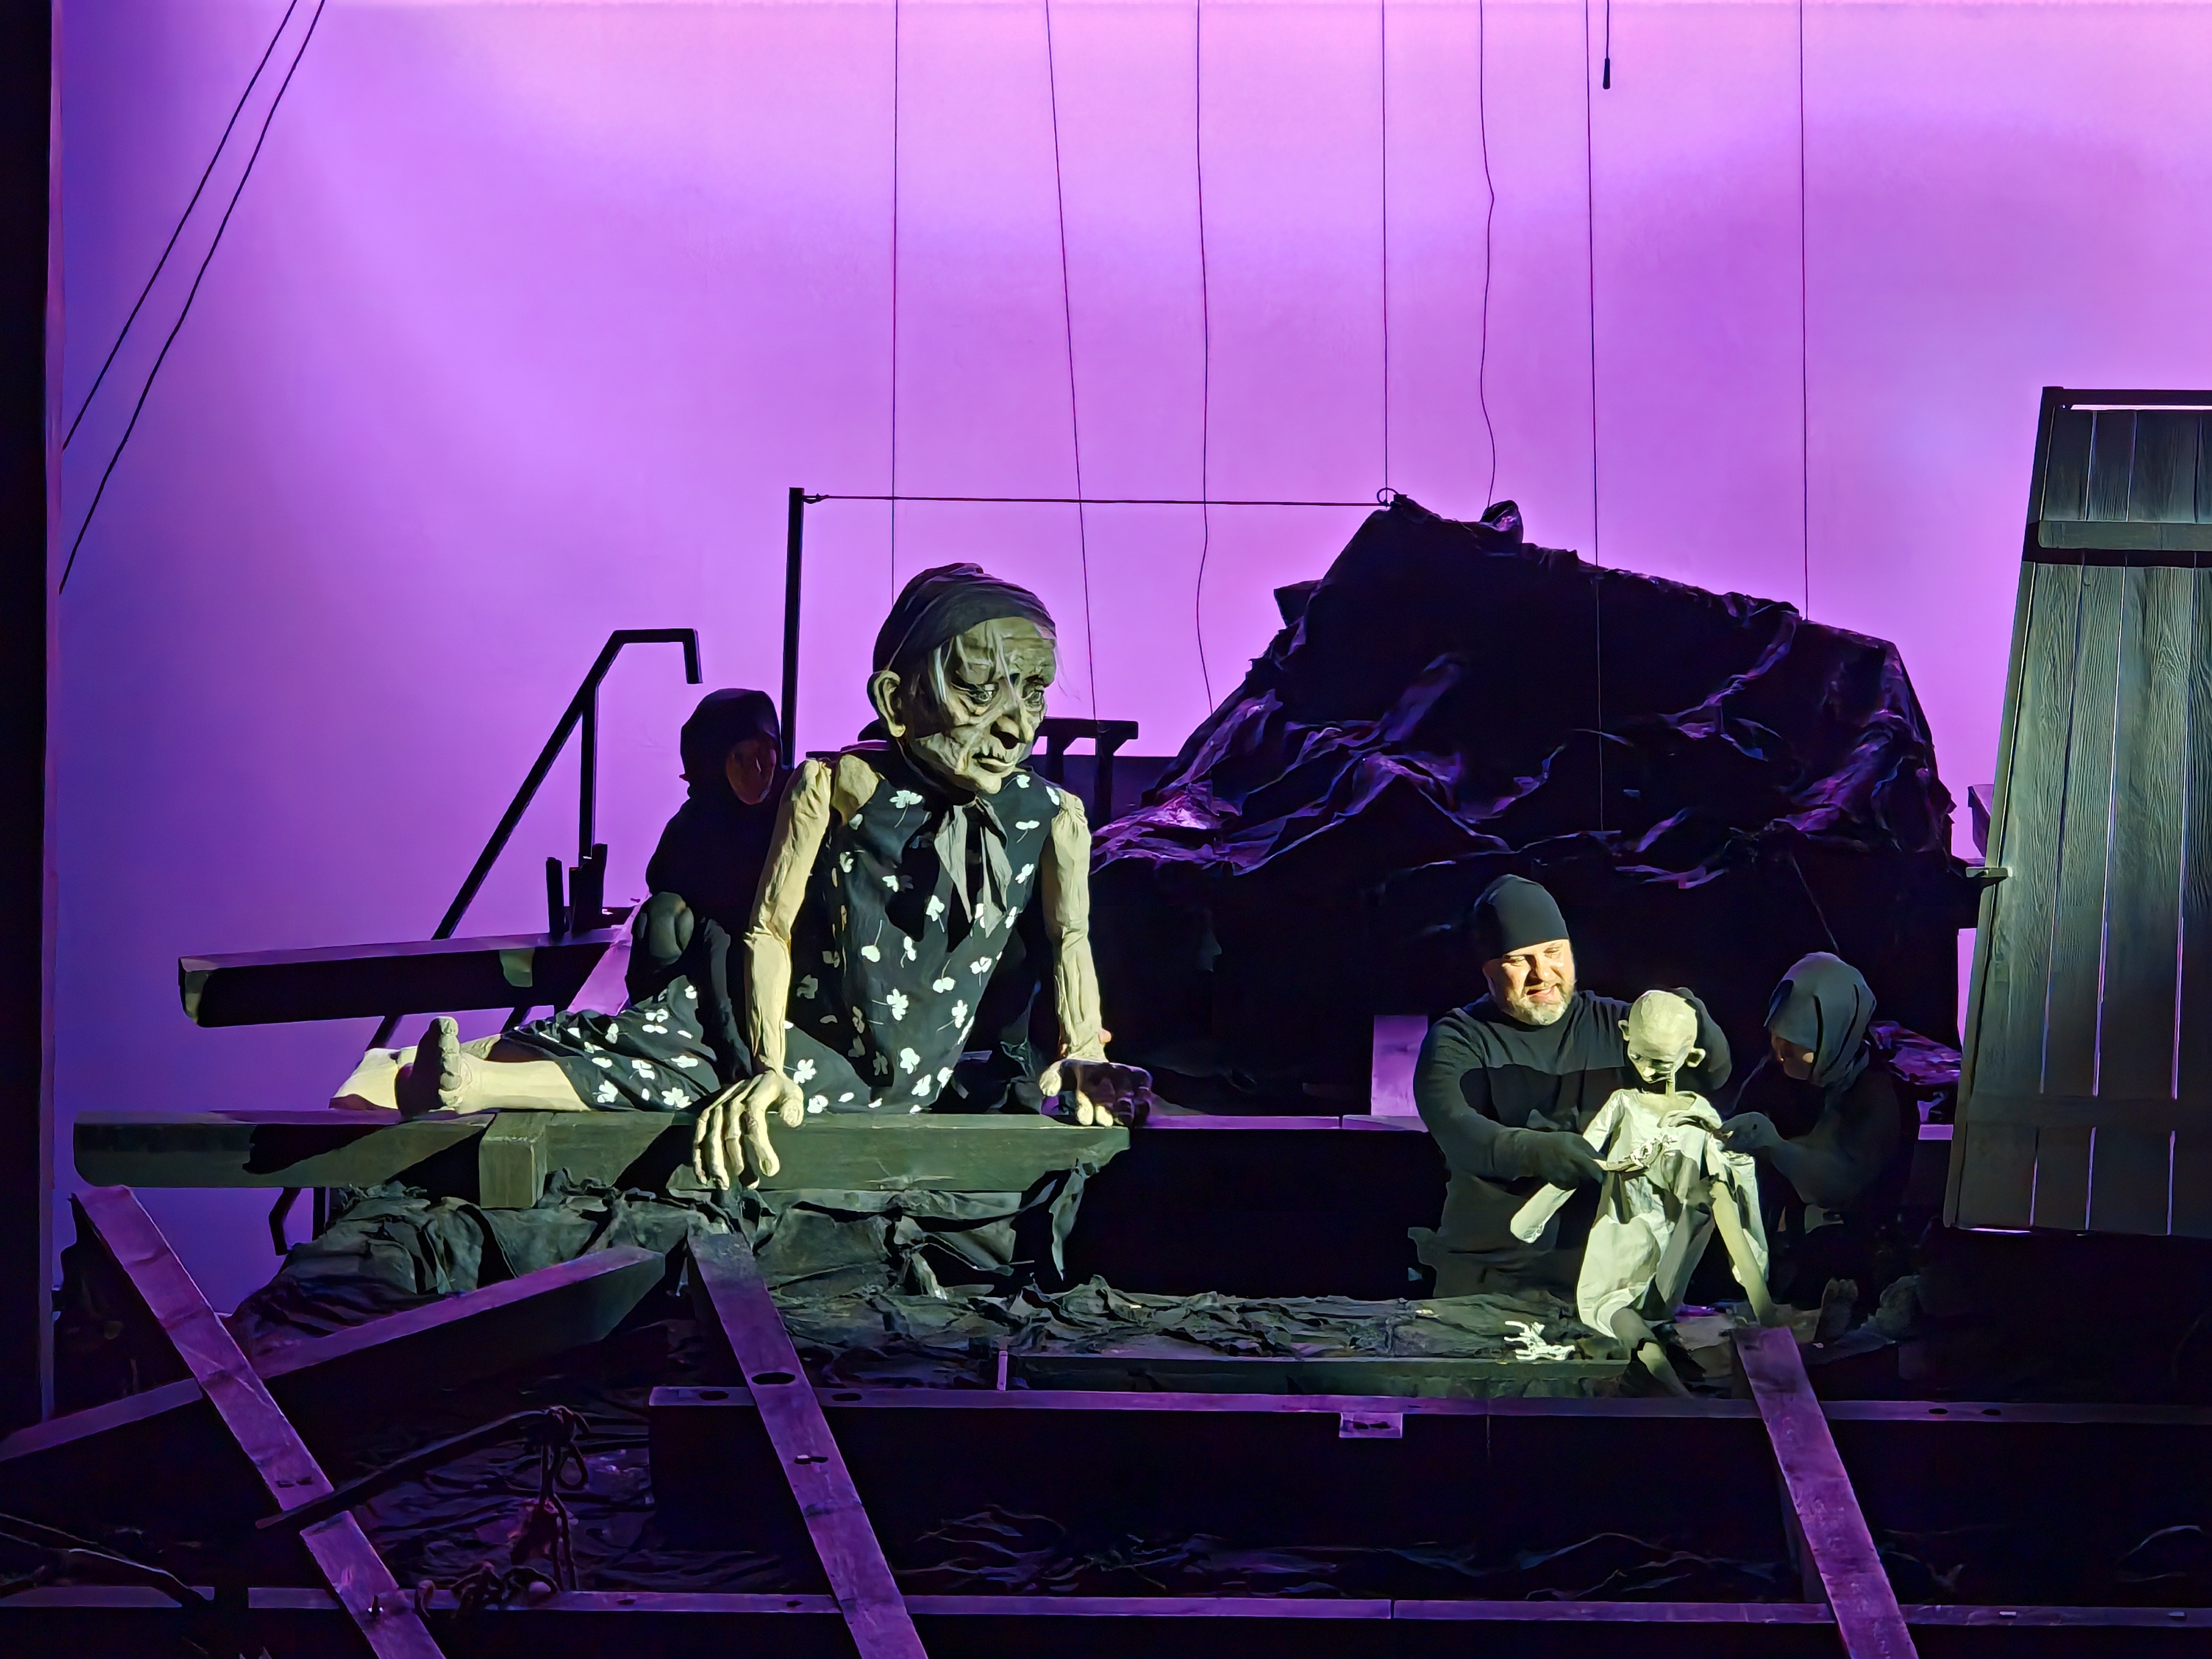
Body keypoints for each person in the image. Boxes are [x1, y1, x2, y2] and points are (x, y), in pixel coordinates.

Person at [691, 562, 1156, 1189]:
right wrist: (767, 1062)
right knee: (605, 1063)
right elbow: (769, 928)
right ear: (894, 701)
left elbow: (1069, 938)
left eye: (1034, 692)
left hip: (914, 1074)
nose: (1017, 726)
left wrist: (1085, 1052)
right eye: (979, 689)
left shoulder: (1050, 815)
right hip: (808, 1046)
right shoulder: (837, 785)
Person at [1410, 874, 1731, 1298]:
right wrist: (1537, 1152)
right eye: (1519, 960)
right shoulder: (1459, 1039)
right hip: (1489, 1274)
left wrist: (1694, 1020)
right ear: (1487, 969)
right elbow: (1458, 1131)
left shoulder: (1617, 1026)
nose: (1542, 974)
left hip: (1604, 1280)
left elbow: (1711, 1075)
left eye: (1553, 952)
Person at [1719, 950, 1916, 1223]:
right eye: (1776, 1038)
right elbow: (1736, 1116)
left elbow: (1840, 1183)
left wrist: (1777, 1148)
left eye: (1795, 1046)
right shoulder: (1776, 1072)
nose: (1780, 1056)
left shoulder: (1874, 1096)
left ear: (1834, 1038)